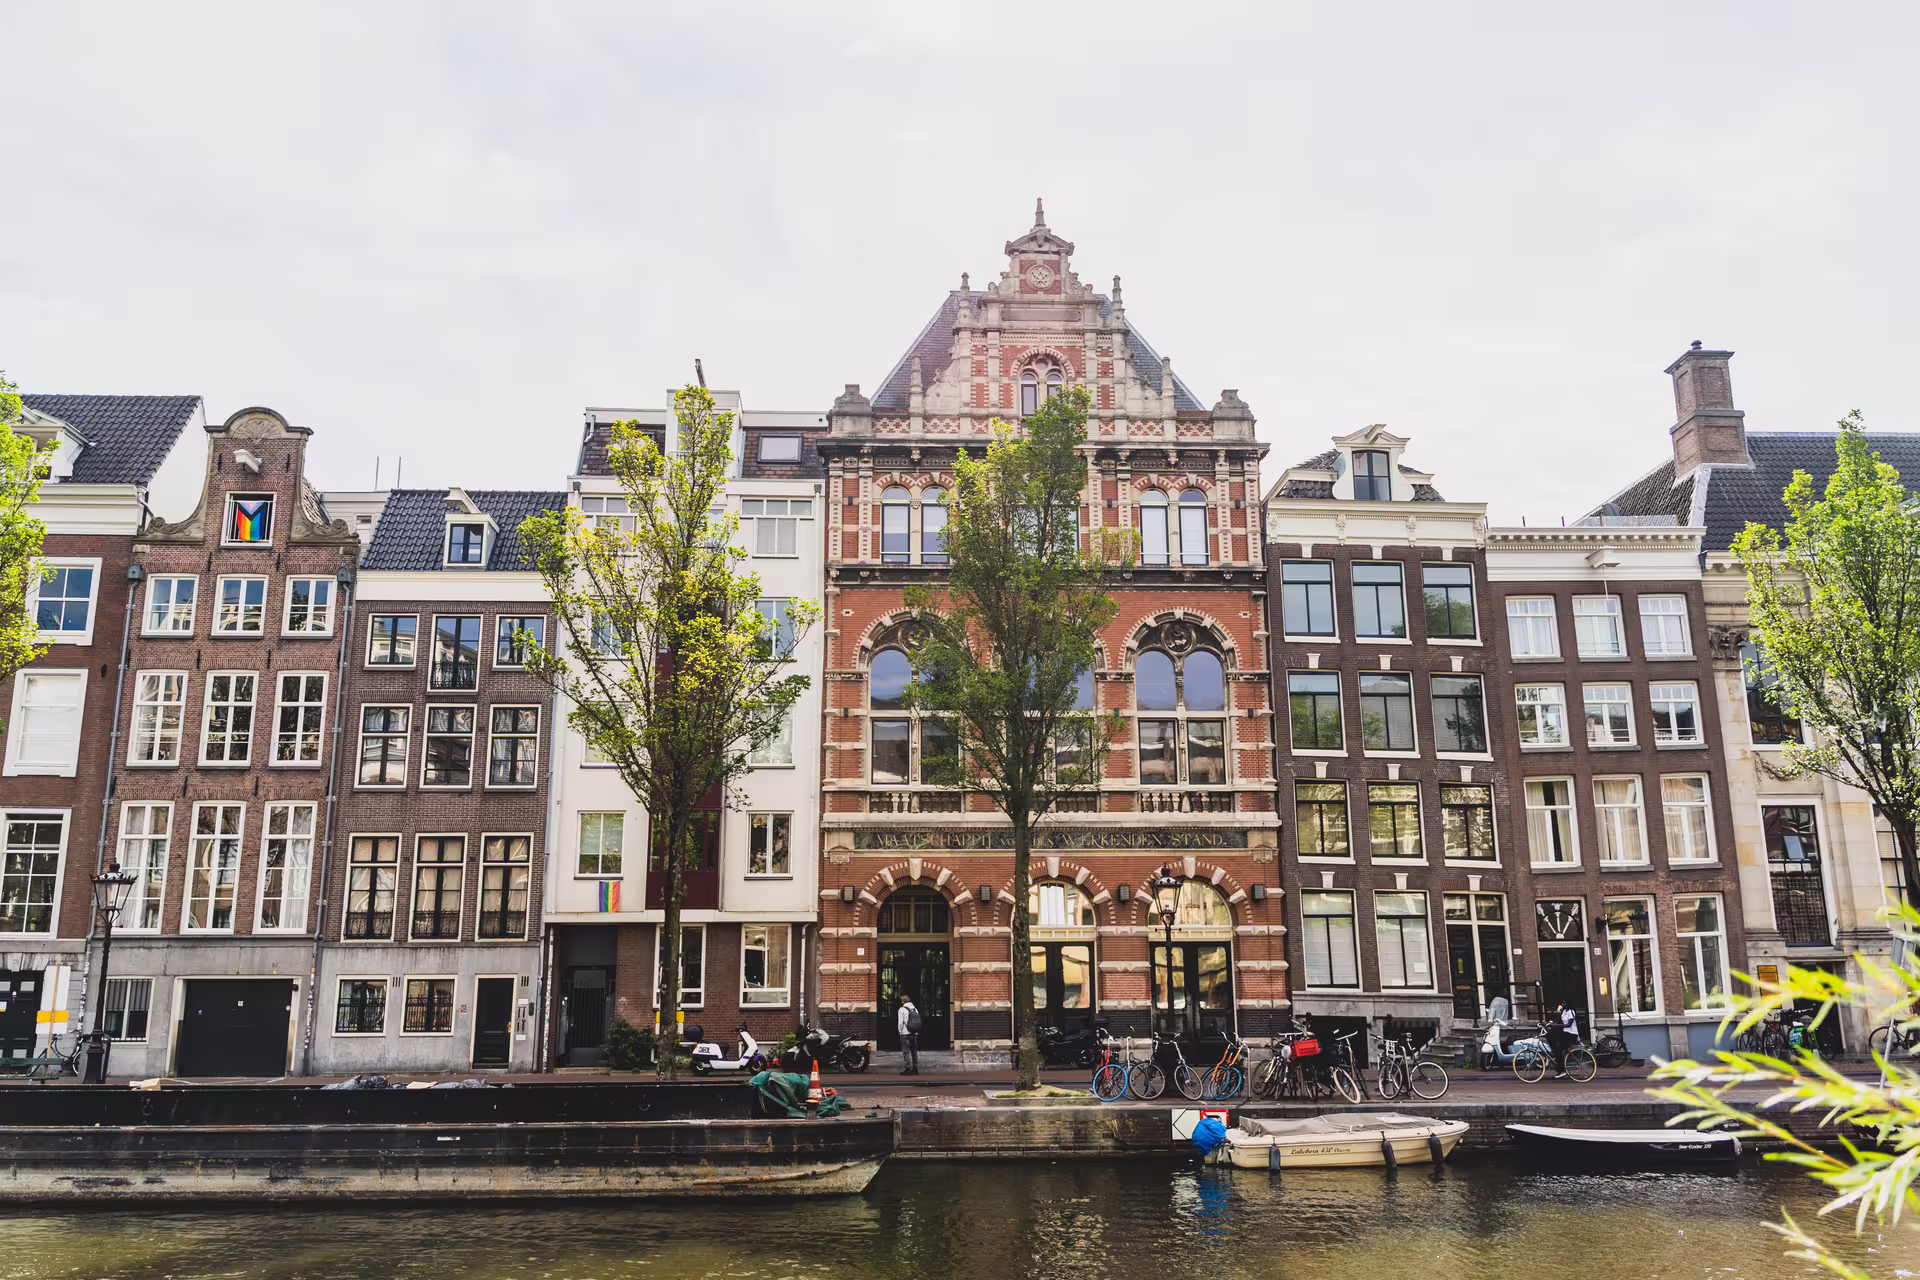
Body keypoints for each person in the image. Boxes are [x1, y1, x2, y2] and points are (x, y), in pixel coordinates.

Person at [1544, 1004, 1575, 1078]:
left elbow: (1568, 1025)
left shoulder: (1571, 1011)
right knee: (1549, 1035)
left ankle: (1563, 1070)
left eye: (1564, 1003)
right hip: (1565, 1033)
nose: (1562, 1004)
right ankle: (1554, 1051)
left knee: (1558, 1050)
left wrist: (1557, 1025)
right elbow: (1560, 1021)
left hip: (1571, 1034)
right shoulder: (1564, 1012)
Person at [897, 995, 920, 1075]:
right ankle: (915, 1068)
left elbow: (900, 1023)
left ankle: (908, 1068)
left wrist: (900, 1032)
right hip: (914, 1033)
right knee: (914, 1051)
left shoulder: (902, 1009)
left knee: (906, 1051)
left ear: (903, 1001)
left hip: (905, 1033)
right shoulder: (915, 1009)